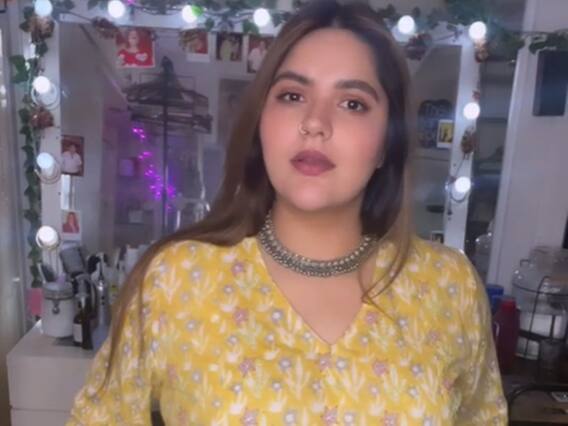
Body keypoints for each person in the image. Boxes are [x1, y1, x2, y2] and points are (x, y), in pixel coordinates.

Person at [67, 1, 507, 425]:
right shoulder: (176, 280)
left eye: (353, 103)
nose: (315, 122)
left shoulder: (448, 287)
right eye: (293, 95)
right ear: (261, 124)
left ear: (386, 144)